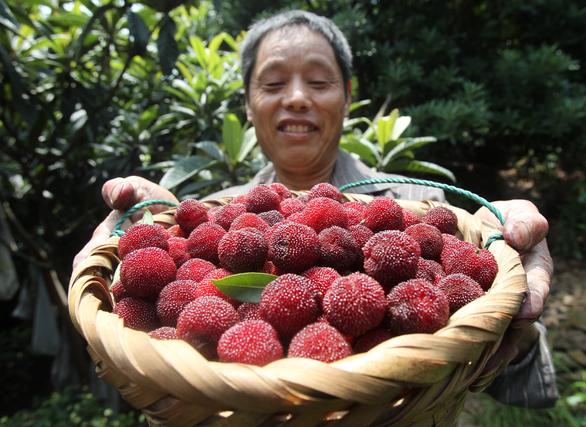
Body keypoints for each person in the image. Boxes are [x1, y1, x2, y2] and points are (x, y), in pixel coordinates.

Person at [73, 10, 557, 408]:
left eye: (319, 81)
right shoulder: (222, 212)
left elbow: (519, 387)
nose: (298, 98)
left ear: (348, 97)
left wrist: (509, 293)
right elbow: (151, 372)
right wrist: (158, 225)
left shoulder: (419, 209)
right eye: (274, 83)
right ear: (247, 104)